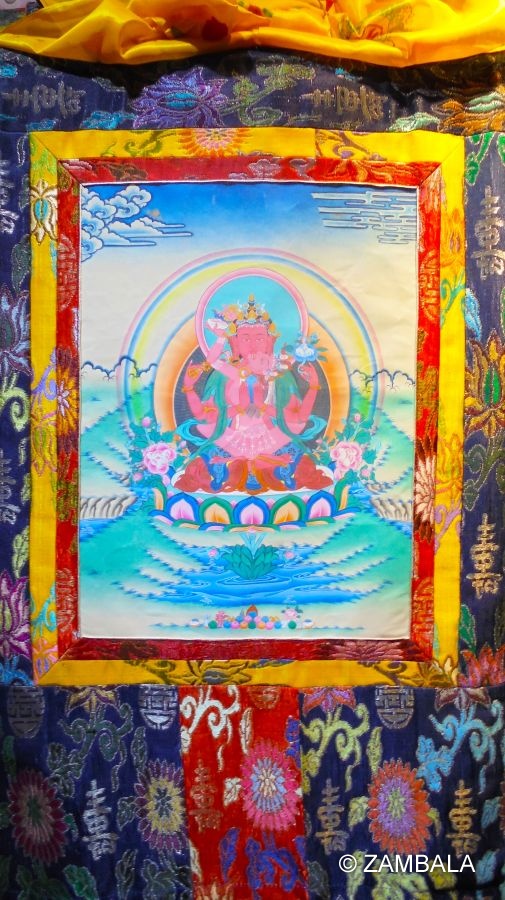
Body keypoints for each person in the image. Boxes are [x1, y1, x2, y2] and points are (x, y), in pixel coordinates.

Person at [175, 295, 331, 494]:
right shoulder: (231, 374)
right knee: (203, 466)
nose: (253, 345)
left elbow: (299, 416)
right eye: (245, 339)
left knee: (302, 465)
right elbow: (204, 415)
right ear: (234, 342)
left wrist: (313, 387)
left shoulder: (278, 375)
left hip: (271, 438)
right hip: (232, 438)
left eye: (259, 338)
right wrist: (190, 388)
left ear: (270, 342)